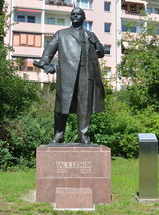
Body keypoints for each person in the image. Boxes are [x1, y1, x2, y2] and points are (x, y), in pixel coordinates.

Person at [34, 7, 105, 145]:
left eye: (79, 14)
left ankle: (83, 135)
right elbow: (48, 52)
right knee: (62, 106)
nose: (75, 16)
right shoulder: (61, 34)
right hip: (67, 74)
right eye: (73, 14)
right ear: (70, 17)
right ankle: (58, 134)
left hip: (87, 74)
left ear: (84, 18)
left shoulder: (90, 34)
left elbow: (101, 53)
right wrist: (45, 64)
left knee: (85, 106)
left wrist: (95, 42)